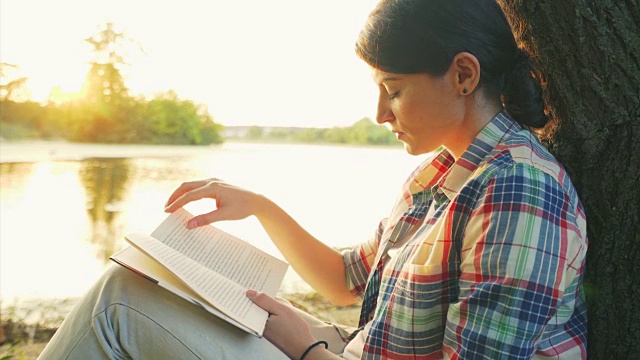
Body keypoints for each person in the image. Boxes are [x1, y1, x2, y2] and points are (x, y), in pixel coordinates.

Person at [39, 0, 588, 359]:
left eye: (393, 89)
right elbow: (346, 281)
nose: (380, 113)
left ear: (463, 74)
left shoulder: (519, 187)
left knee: (116, 308)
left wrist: (308, 350)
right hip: (342, 351)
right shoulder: (438, 174)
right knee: (133, 285)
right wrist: (260, 207)